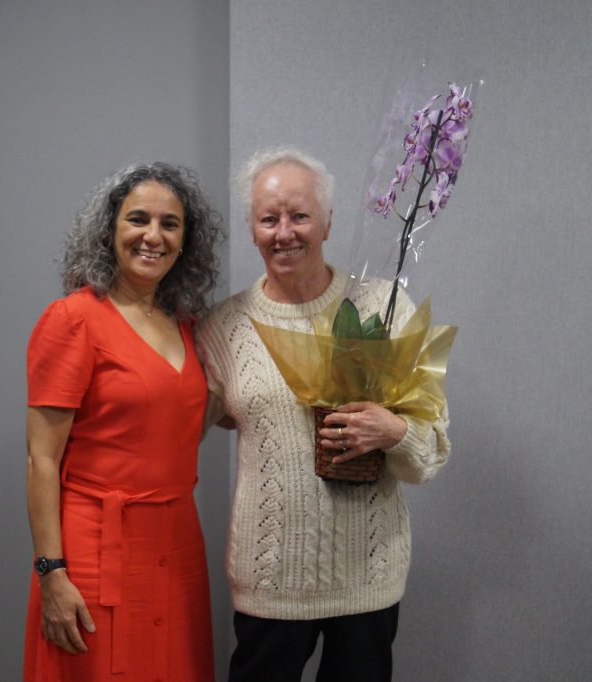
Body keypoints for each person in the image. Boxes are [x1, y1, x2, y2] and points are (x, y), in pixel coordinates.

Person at [196, 147, 450, 682]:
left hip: (368, 574)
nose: (284, 232)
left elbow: (429, 454)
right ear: (252, 229)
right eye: (268, 219)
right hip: (271, 577)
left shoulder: (384, 307)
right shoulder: (223, 327)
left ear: (328, 223)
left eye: (300, 215)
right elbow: (188, 422)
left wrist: (394, 431)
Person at [24, 162, 224, 681]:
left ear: (186, 240)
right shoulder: (73, 319)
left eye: (170, 224)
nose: (153, 236)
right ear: (109, 229)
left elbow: (186, 424)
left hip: (177, 547)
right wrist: (51, 572)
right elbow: (41, 460)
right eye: (138, 219)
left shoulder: (186, 325)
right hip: (94, 553)